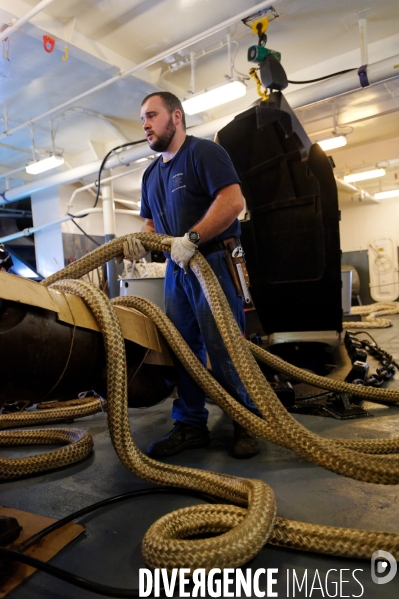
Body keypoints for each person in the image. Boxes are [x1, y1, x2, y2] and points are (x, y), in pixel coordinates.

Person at [126, 91, 260, 459]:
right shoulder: (151, 174)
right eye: (142, 119)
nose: (146, 125)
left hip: (213, 261)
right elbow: (150, 222)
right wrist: (141, 240)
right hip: (176, 268)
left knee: (225, 345)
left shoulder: (204, 153)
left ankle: (244, 420)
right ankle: (190, 425)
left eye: (152, 115)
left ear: (177, 117)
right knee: (181, 347)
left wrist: (194, 237)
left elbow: (233, 202)